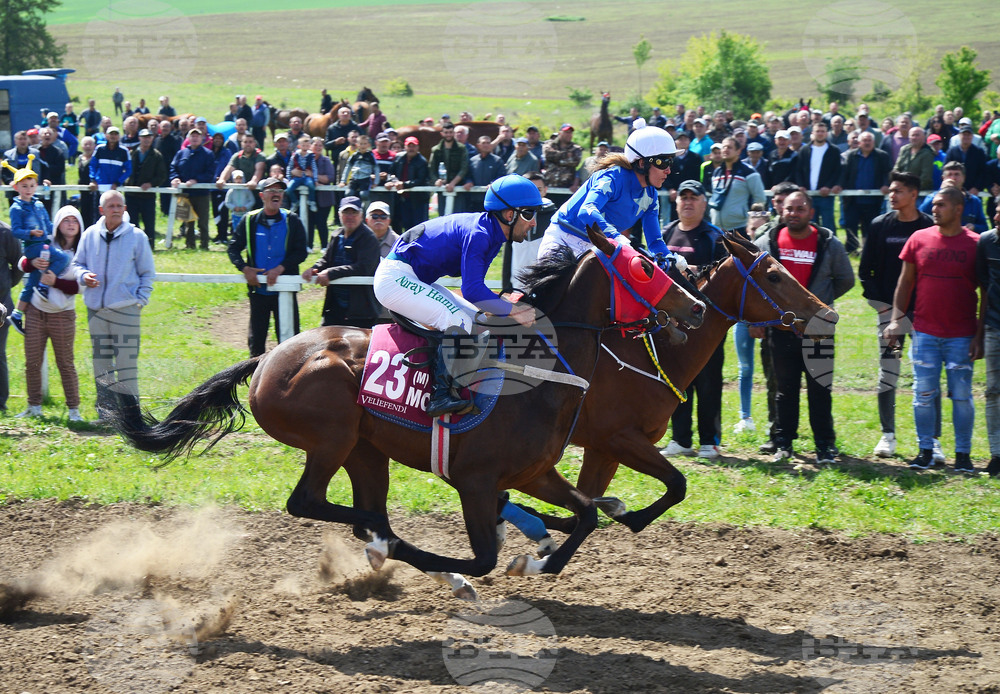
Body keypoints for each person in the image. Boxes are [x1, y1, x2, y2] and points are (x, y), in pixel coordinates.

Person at [373, 174, 542, 417]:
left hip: (410, 277)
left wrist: (506, 303)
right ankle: (440, 396)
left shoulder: (492, 234)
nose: (534, 223)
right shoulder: (481, 234)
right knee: (459, 322)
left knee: (476, 319)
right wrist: (514, 311)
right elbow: (473, 291)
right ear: (509, 215)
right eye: (529, 214)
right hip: (395, 279)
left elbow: (475, 290)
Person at [885, 186, 981, 473]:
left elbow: (986, 292)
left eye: (940, 205)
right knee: (922, 395)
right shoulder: (919, 239)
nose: (934, 209)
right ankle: (925, 450)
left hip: (962, 335)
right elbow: (905, 284)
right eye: (933, 204)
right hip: (924, 332)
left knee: (962, 397)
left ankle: (963, 456)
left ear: (958, 209)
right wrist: (896, 320)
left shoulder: (976, 244)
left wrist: (979, 335)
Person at [755, 191, 854, 465]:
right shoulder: (767, 242)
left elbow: (846, 278)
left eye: (800, 208)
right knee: (784, 388)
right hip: (782, 329)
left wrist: (819, 304)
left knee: (820, 388)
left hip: (818, 330)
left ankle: (825, 445)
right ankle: (784, 442)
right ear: (781, 211)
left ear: (811, 212)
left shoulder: (828, 243)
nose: (794, 213)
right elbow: (754, 283)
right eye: (789, 208)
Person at [858, 172, 937, 459]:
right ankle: (887, 435)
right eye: (890, 190)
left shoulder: (929, 225)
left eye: (898, 191)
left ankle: (933, 440)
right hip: (889, 315)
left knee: (927, 376)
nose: (892, 195)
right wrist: (882, 307)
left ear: (914, 194)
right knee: (888, 374)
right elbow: (866, 272)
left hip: (925, 315)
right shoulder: (880, 225)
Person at [538, 120, 678, 261]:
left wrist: (671, 260)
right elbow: (586, 211)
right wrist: (617, 237)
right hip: (564, 237)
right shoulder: (613, 177)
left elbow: (654, 242)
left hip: (598, 246)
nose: (668, 170)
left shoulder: (651, 195)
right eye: (663, 162)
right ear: (642, 163)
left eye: (671, 162)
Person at [73, 190, 155, 421]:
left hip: (126, 310)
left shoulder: (137, 237)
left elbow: (147, 273)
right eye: (111, 206)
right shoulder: (89, 235)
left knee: (126, 363)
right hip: (96, 310)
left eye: (120, 205)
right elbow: (77, 263)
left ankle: (131, 416)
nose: (116, 209)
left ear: (125, 209)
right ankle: (106, 414)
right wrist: (83, 276)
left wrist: (139, 301)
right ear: (102, 210)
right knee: (102, 363)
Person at [660, 180, 727, 459]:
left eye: (694, 198)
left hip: (708, 326)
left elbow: (726, 279)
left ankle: (709, 441)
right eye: (683, 197)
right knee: (678, 380)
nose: (688, 202)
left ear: (704, 202)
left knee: (709, 383)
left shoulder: (715, 236)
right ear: (676, 202)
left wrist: (695, 271)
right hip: (676, 324)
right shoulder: (665, 233)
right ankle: (681, 438)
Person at [15, 206, 84, 421]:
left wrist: (57, 282)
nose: (70, 224)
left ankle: (74, 410)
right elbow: (21, 262)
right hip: (35, 311)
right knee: (32, 362)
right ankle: (34, 407)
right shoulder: (46, 243)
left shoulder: (83, 251)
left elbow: (81, 286)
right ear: (57, 224)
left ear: (80, 225)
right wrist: (31, 262)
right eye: (66, 220)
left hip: (63, 313)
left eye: (75, 220)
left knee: (65, 363)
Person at [227, 177, 308, 357]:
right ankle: (255, 381)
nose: (276, 194)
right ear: (262, 195)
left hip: (284, 290)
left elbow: (301, 252)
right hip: (258, 291)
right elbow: (233, 248)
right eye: (271, 191)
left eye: (279, 191)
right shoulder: (249, 220)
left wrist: (281, 268)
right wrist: (244, 268)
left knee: (290, 341)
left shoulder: (292, 220)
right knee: (256, 342)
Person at [1, 159, 71, 335]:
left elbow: (47, 224)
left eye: (31, 185)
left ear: (36, 185)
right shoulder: (16, 208)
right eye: (24, 186)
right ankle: (44, 285)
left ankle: (16, 314)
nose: (29, 189)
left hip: (43, 245)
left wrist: (51, 233)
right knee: (63, 258)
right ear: (16, 187)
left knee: (31, 281)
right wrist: (31, 233)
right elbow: (16, 231)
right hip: (32, 247)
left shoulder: (39, 204)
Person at [302, 196, 381, 328]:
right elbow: (326, 259)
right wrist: (315, 268)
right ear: (339, 215)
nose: (350, 217)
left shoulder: (369, 238)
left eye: (354, 213)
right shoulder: (336, 235)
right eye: (346, 213)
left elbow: (363, 268)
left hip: (360, 311)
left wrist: (331, 273)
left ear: (361, 215)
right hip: (334, 307)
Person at [975, 204, 1000, 477]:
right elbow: (983, 286)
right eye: (996, 211)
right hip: (994, 326)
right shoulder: (986, 241)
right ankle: (997, 454)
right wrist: (980, 333)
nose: (996, 217)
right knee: (993, 391)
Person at [839, 131, 892, 254]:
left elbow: (888, 173)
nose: (867, 143)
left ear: (874, 142)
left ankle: (868, 251)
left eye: (869, 141)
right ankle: (852, 251)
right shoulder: (851, 156)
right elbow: (844, 174)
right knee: (850, 225)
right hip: (853, 200)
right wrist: (839, 185)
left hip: (873, 200)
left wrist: (886, 184)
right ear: (859, 142)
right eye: (865, 141)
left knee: (870, 227)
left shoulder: (882, 155)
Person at [170, 126, 216, 250]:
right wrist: (175, 178)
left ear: (201, 138)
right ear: (188, 138)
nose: (195, 138)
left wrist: (197, 180)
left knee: (203, 222)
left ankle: (204, 245)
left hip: (202, 194)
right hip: (185, 193)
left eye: (197, 136)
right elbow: (173, 168)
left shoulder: (208, 154)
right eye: (192, 136)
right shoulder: (181, 153)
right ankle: (190, 245)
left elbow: (210, 173)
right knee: (188, 221)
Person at [709, 136, 765, 235]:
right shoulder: (717, 172)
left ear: (738, 151)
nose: (725, 149)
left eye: (729, 147)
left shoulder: (748, 172)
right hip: (717, 229)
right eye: (724, 147)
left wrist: (752, 224)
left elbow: (760, 199)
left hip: (740, 228)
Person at [795, 121, 842, 234]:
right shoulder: (804, 150)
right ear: (812, 133)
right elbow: (798, 170)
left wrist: (829, 186)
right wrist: (800, 185)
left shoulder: (834, 150)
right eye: (817, 131)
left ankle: (831, 249)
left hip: (826, 195)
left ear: (826, 133)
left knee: (828, 224)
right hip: (808, 195)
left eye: (823, 131)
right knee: (809, 225)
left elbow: (837, 171)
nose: (820, 134)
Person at [126, 128, 168, 249]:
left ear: (152, 139)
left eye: (149, 137)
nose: (146, 140)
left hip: (147, 195)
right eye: (144, 137)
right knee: (132, 223)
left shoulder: (157, 155)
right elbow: (125, 170)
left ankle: (149, 247)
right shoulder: (131, 153)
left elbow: (162, 175)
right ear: (139, 138)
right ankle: (132, 246)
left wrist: (151, 183)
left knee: (149, 223)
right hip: (131, 195)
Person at [917, 163, 988, 233]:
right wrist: (941, 192)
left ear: (964, 178)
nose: (953, 178)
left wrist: (974, 227)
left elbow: (984, 227)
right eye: (949, 174)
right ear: (943, 178)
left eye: (957, 174)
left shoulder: (974, 201)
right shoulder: (932, 198)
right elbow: (920, 219)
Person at [386, 136, 430, 233]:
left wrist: (404, 184)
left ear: (417, 147)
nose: (411, 148)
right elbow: (391, 172)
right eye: (409, 146)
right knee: (397, 226)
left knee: (416, 227)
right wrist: (391, 181)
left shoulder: (422, 161)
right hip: (400, 199)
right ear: (405, 147)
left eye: (413, 146)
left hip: (417, 200)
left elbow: (420, 180)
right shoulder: (398, 158)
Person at [428, 122, 469, 216]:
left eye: (450, 132)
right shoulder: (436, 150)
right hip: (442, 188)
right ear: (442, 133)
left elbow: (464, 168)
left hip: (458, 187)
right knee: (443, 216)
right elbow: (431, 168)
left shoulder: (461, 148)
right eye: (446, 132)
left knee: (458, 216)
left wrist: (453, 183)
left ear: (453, 133)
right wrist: (436, 181)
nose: (448, 135)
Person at [542, 124, 583, 207]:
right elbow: (548, 155)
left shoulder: (576, 148)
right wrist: (567, 156)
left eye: (570, 133)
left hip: (567, 189)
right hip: (548, 188)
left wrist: (555, 158)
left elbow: (575, 162)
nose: (569, 134)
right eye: (566, 132)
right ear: (560, 133)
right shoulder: (549, 145)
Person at [286, 135, 318, 212]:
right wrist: (289, 178)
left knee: (311, 185)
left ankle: (311, 201)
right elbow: (289, 166)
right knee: (289, 189)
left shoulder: (311, 156)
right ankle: (294, 202)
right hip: (297, 177)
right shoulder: (295, 155)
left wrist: (315, 179)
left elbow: (314, 168)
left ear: (310, 146)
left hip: (307, 176)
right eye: (303, 145)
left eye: (307, 145)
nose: (305, 147)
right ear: (299, 146)